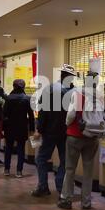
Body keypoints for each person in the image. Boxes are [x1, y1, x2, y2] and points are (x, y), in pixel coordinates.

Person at [58, 71, 104, 210]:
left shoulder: (79, 93)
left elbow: (71, 114)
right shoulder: (100, 97)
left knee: (70, 169)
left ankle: (66, 199)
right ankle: (86, 202)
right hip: (93, 136)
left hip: (75, 135)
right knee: (88, 170)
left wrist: (67, 124)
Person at [31, 64, 76, 197]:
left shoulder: (50, 89)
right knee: (64, 160)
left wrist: (39, 129)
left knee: (42, 158)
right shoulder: (74, 92)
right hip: (66, 132)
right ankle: (61, 186)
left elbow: (43, 111)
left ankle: (43, 187)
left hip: (49, 131)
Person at [3, 79, 35, 178]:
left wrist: (4, 128)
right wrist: (32, 128)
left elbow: (4, 114)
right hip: (22, 127)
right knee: (21, 149)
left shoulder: (8, 98)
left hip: (9, 127)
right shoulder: (27, 98)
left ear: (13, 86)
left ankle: (7, 169)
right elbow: (31, 115)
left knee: (8, 148)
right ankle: (19, 171)